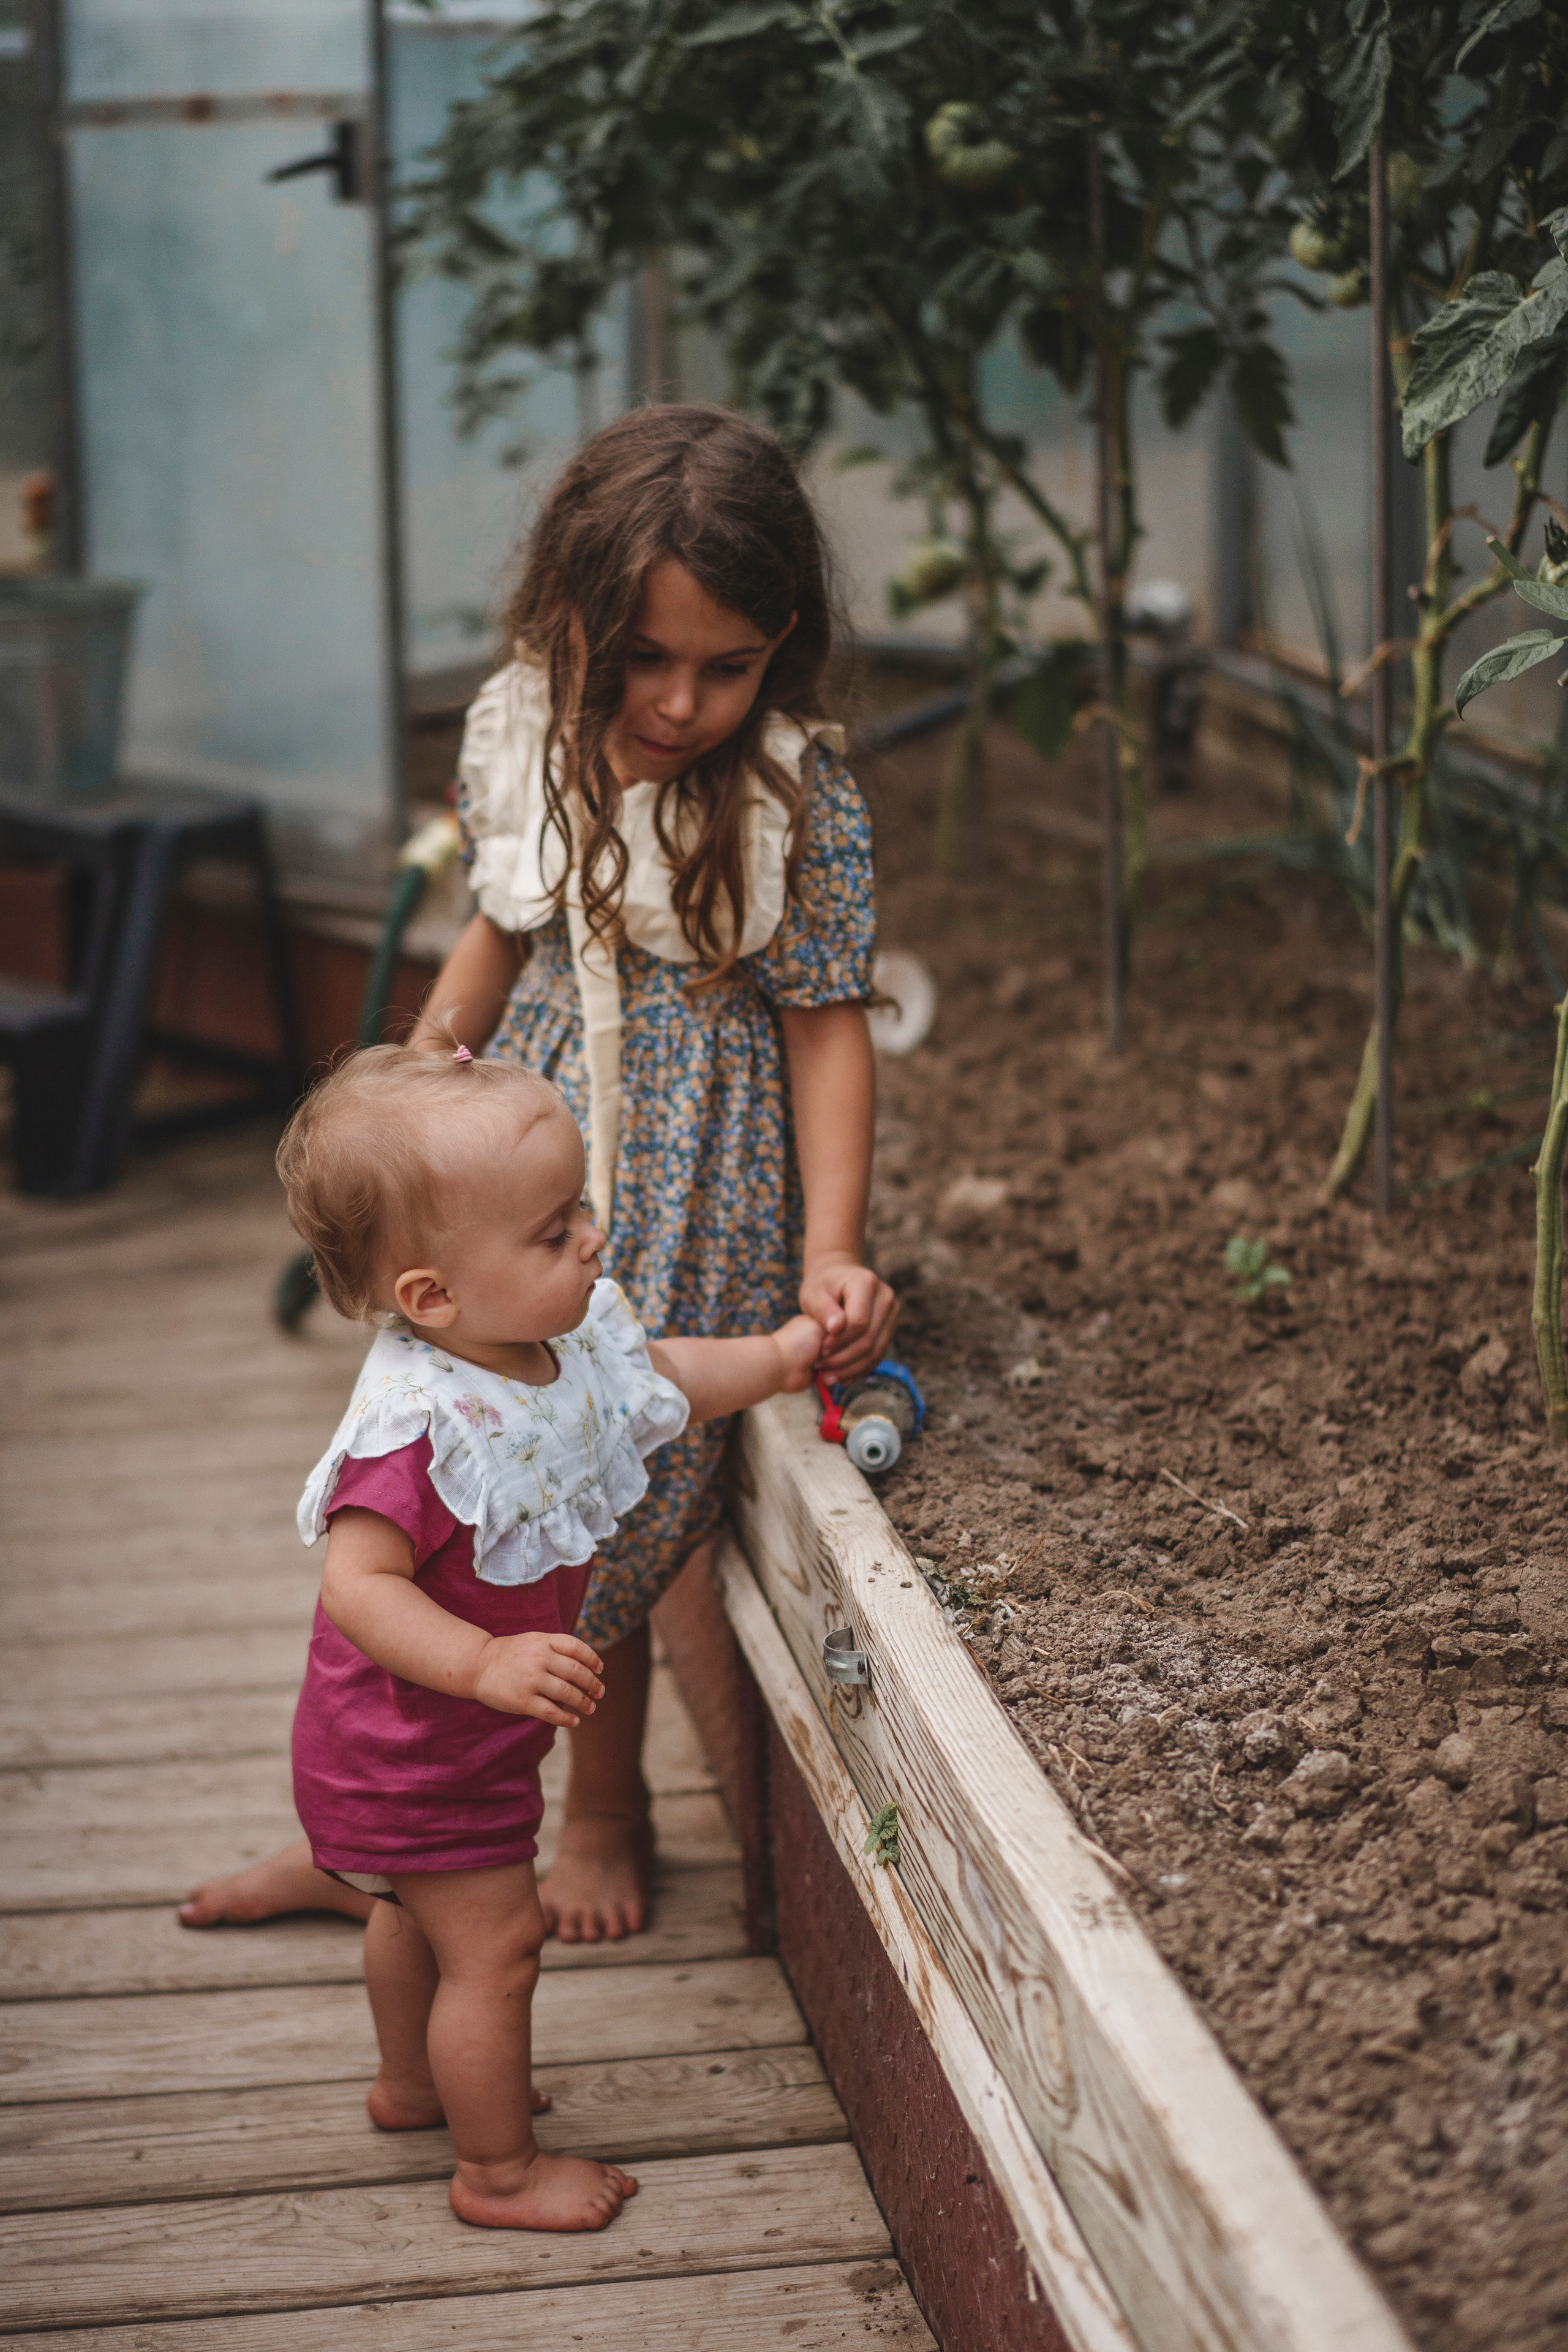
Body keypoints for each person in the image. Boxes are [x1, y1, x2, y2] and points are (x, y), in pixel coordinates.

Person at [181, 401, 897, 1947]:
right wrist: (408, 1083)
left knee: (597, 1509)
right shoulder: (519, 734)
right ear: (570, 622)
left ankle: (603, 1810)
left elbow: (829, 1026)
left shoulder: (793, 796)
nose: (683, 701)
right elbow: (501, 932)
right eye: (643, 659)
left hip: (698, 1193)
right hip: (511, 1173)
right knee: (446, 1500)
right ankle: (369, 1837)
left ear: (783, 643)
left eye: (728, 664)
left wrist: (828, 1251)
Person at [281, 1038, 824, 2229]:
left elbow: (664, 1379)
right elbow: (357, 1589)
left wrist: (781, 1359)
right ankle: (496, 2172)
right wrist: (481, 1661)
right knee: (501, 1948)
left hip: (420, 1743)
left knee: (411, 1912)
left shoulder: (549, 1347)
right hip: (417, 1745)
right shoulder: (419, 1426)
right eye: (550, 1231)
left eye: (578, 1207)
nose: (591, 1236)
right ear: (431, 1296)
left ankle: (413, 2082)